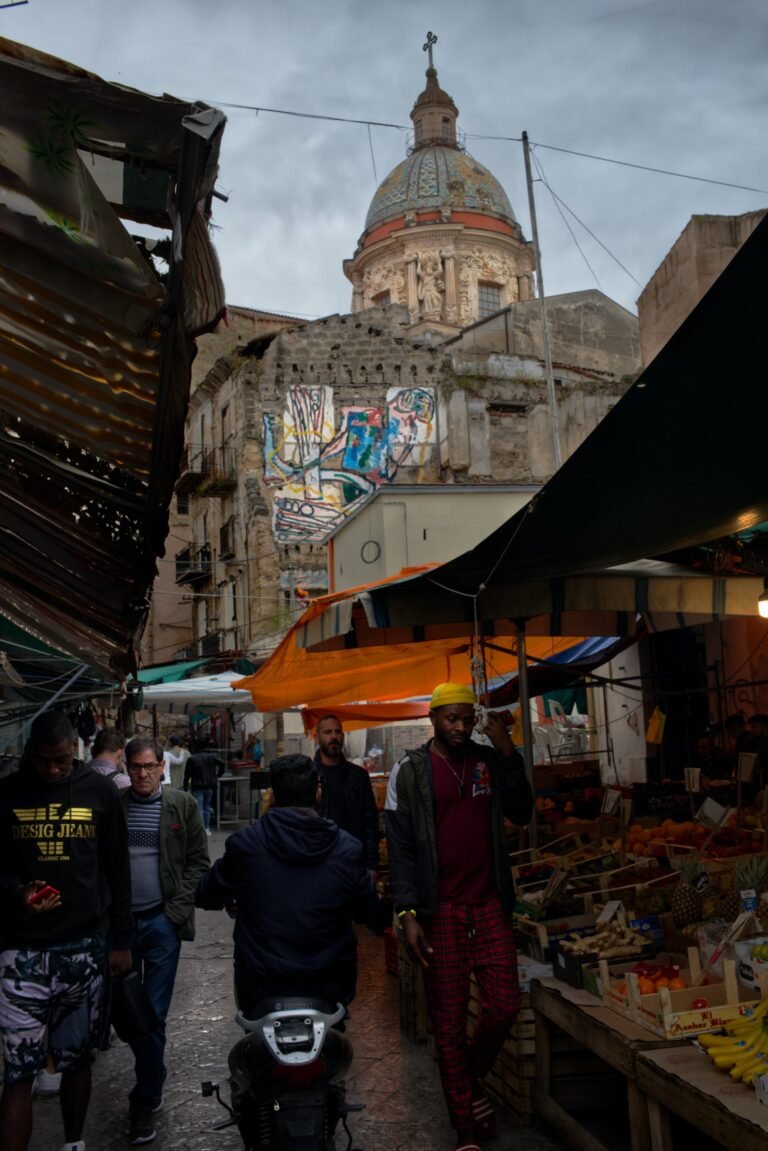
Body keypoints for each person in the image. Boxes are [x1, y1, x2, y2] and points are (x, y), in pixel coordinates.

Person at [384, 682, 533, 1151]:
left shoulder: (487, 761)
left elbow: (522, 810)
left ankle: (465, 1079)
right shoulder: (408, 772)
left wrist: (507, 748)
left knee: (505, 1005)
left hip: (488, 902)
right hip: (440, 909)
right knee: (447, 1023)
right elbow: (401, 851)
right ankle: (465, 1129)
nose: (461, 727)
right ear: (432, 718)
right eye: (452, 718)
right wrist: (407, 914)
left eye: (468, 719)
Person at [0, 710, 132, 1151]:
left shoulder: (100, 792)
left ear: (75, 750)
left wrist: (121, 941)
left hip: (84, 948)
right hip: (20, 953)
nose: (53, 769)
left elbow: (118, 868)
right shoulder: (7, 794)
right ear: (29, 754)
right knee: (19, 1072)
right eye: (43, 761)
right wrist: (18, 893)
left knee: (77, 1061)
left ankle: (74, 1143)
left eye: (60, 760)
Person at [195, 754, 377, 1016]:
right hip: (329, 983)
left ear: (273, 795)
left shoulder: (246, 844)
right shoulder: (346, 848)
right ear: (317, 792)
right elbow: (368, 909)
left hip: (262, 983)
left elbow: (207, 894)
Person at [119, 736, 209, 1145]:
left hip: (160, 925)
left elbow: (197, 864)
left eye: (149, 766)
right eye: (135, 766)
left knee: (152, 1015)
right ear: (126, 768)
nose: (143, 773)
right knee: (124, 1015)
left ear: (161, 767)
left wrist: (173, 915)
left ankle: (145, 1098)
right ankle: (153, 1072)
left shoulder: (181, 806)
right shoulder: (113, 808)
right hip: (120, 929)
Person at [313, 715, 380, 877]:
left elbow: (370, 820)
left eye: (338, 732)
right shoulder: (309, 777)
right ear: (317, 737)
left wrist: (372, 864)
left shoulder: (359, 776)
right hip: (320, 861)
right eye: (327, 732)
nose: (333, 737)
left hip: (354, 859)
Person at [183, 740, 225, 836]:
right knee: (207, 807)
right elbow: (222, 763)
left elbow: (187, 776)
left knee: (199, 808)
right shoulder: (211, 757)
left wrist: (185, 788)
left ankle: (201, 829)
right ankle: (206, 828)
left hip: (197, 786)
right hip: (209, 785)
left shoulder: (192, 759)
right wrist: (218, 775)